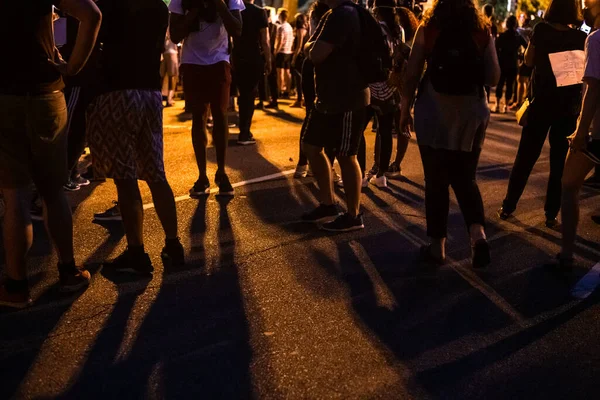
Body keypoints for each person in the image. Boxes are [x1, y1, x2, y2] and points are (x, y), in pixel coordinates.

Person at [0, 0, 101, 308]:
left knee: (14, 195)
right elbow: (91, 15)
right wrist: (72, 67)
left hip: (4, 96)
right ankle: (68, 271)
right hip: (46, 93)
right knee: (52, 192)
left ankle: (17, 287)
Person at [400, 0, 500, 267]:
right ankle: (478, 236)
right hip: (471, 113)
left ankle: (437, 247)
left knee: (436, 180)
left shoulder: (429, 28)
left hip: (433, 111)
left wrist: (403, 110)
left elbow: (411, 74)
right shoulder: (482, 30)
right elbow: (493, 77)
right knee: (466, 178)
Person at [87, 0, 184, 274]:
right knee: (156, 173)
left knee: (126, 178)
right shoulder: (158, 7)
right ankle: (173, 244)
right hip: (150, 93)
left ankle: (137, 253)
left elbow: (96, 39)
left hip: (119, 91)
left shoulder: (112, 6)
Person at [498, 0, 586, 228]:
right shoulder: (579, 38)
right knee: (559, 163)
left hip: (540, 104)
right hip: (567, 107)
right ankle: (550, 214)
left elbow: (528, 60)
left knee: (525, 158)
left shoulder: (541, 30)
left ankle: (508, 206)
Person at [300, 0, 370, 232]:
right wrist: (312, 48)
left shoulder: (344, 14)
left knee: (346, 155)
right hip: (329, 98)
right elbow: (311, 49)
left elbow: (316, 53)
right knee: (311, 145)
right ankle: (328, 204)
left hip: (349, 97)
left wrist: (312, 48)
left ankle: (353, 215)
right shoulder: (333, 14)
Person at [169, 0, 244, 197]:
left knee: (220, 115)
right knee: (198, 117)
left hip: (219, 61)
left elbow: (237, 29)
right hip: (192, 62)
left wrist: (219, 4)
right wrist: (194, 10)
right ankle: (202, 176)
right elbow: (175, 35)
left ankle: (221, 172)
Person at [560, 0, 600, 270]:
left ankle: (566, 255)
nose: (585, 3)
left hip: (597, 132)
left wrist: (580, 132)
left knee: (568, 186)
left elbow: (593, 90)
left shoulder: (596, 40)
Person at [358, 0, 403, 189]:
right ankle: (381, 175)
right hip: (391, 86)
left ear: (376, 9)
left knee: (358, 130)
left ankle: (359, 176)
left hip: (371, 85)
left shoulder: (373, 28)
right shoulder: (398, 30)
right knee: (385, 132)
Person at [233, 0, 272, 145]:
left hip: (237, 56)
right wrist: (268, 60)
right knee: (250, 95)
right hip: (253, 56)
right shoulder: (260, 12)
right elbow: (265, 40)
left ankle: (243, 128)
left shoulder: (236, 11)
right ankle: (244, 132)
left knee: (242, 94)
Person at [387, 5, 419, 178]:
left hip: (404, 88)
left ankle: (397, 163)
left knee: (402, 125)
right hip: (392, 86)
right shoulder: (394, 38)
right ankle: (382, 163)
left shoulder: (412, 43)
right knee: (387, 126)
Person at [494, 15, 527, 113]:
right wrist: (521, 57)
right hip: (513, 63)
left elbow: (496, 48)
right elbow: (527, 46)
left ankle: (497, 104)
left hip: (502, 63)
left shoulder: (502, 36)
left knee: (500, 83)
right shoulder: (518, 37)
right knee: (510, 85)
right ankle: (505, 106)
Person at [511, 13, 534, 110]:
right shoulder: (530, 30)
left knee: (521, 80)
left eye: (522, 17)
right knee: (525, 81)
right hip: (528, 57)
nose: (520, 19)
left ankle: (519, 102)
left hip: (526, 57)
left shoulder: (524, 30)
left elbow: (519, 31)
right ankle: (522, 101)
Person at [274, 9, 294, 98]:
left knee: (280, 73)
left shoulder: (281, 27)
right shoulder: (289, 27)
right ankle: (287, 90)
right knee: (287, 72)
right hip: (289, 52)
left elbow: (280, 41)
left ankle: (280, 91)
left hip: (281, 52)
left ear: (280, 16)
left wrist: (275, 52)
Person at [291, 13, 309, 108]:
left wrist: (294, 58)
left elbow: (299, 45)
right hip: (305, 55)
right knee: (303, 78)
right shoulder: (306, 29)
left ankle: (299, 100)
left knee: (298, 78)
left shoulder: (300, 30)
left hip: (300, 56)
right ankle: (304, 99)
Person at [161, 31, 179, 107]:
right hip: (172, 52)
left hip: (164, 53)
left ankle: (161, 98)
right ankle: (169, 99)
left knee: (162, 76)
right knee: (172, 76)